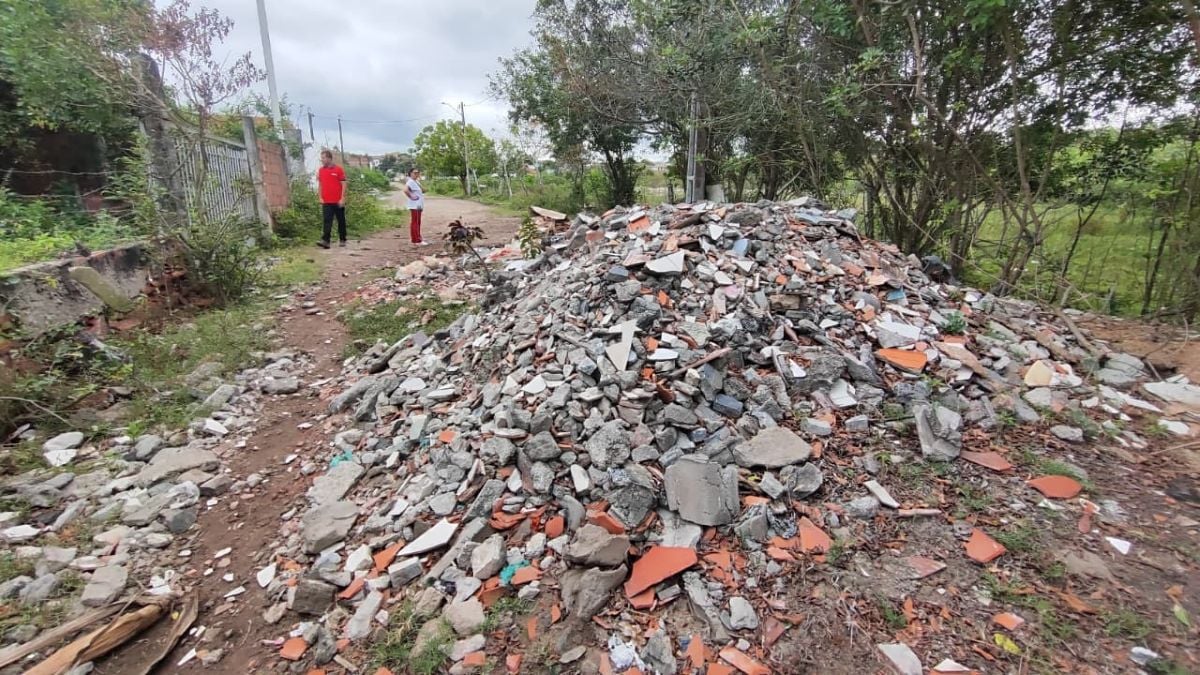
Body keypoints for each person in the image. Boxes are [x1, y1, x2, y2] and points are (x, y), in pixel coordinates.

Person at [317, 149, 348, 248]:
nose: (322, 160)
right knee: (327, 221)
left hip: (338, 200)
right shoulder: (321, 170)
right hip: (326, 201)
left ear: (329, 158)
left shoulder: (338, 169)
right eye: (321, 158)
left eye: (324, 158)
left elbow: (344, 184)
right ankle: (326, 241)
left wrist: (342, 198)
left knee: (341, 220)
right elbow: (320, 184)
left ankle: (342, 239)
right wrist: (320, 197)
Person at [403, 167, 427, 246]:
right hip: (415, 205)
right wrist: (411, 197)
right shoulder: (410, 181)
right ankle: (416, 240)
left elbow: (423, 190)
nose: (416, 174)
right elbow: (405, 190)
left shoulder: (416, 181)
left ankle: (417, 239)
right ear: (410, 174)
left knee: (417, 222)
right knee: (415, 223)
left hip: (419, 205)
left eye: (418, 173)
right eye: (415, 173)